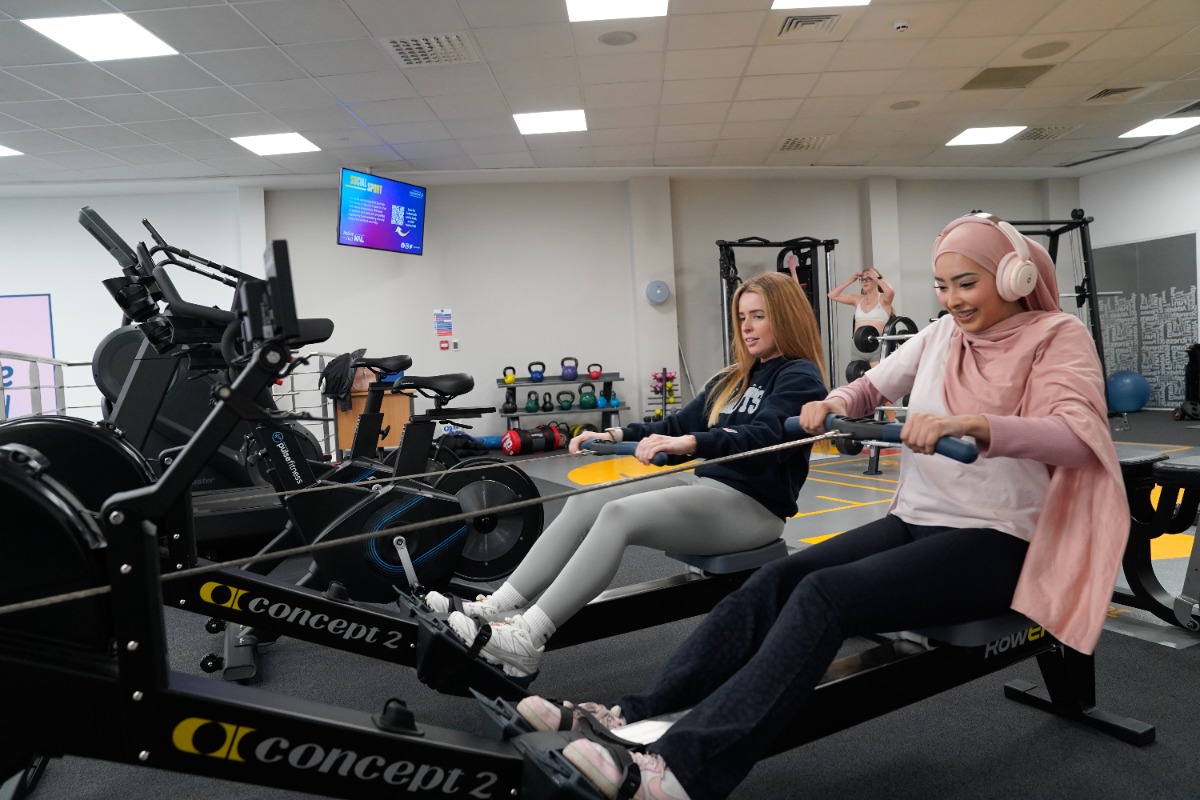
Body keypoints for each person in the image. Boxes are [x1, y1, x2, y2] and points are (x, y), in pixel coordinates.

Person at [515, 213, 1130, 800]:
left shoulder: (1057, 336)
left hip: (999, 541)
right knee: (776, 581)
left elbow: (1077, 437)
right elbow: (870, 386)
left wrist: (979, 426)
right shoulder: (942, 335)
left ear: (1014, 278)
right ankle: (631, 716)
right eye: (943, 286)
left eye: (966, 284)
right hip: (916, 521)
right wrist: (835, 401)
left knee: (826, 597)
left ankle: (680, 772)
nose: (953, 300)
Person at [423, 271, 828, 677]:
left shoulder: (798, 376)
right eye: (742, 317)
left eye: (758, 316)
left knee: (620, 515)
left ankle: (527, 637)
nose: (747, 326)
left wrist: (693, 443)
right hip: (710, 489)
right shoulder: (733, 377)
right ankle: (497, 606)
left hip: (753, 509)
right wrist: (616, 433)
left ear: (786, 317)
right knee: (587, 498)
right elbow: (675, 424)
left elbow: (761, 438)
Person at [828, 266, 895, 363]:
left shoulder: (884, 299)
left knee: (875, 377)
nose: (864, 282)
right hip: (858, 346)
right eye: (862, 279)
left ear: (875, 280)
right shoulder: (857, 299)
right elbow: (832, 295)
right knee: (858, 377)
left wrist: (877, 277)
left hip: (877, 345)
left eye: (868, 279)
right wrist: (851, 280)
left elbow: (890, 291)